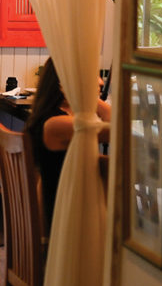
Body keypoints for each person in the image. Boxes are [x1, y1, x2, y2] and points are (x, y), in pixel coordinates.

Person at [26, 57, 111, 233]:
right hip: (63, 222)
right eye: (91, 76)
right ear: (65, 84)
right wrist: (91, 99)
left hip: (67, 208)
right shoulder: (57, 124)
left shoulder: (55, 117)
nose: (100, 82)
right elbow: (117, 131)